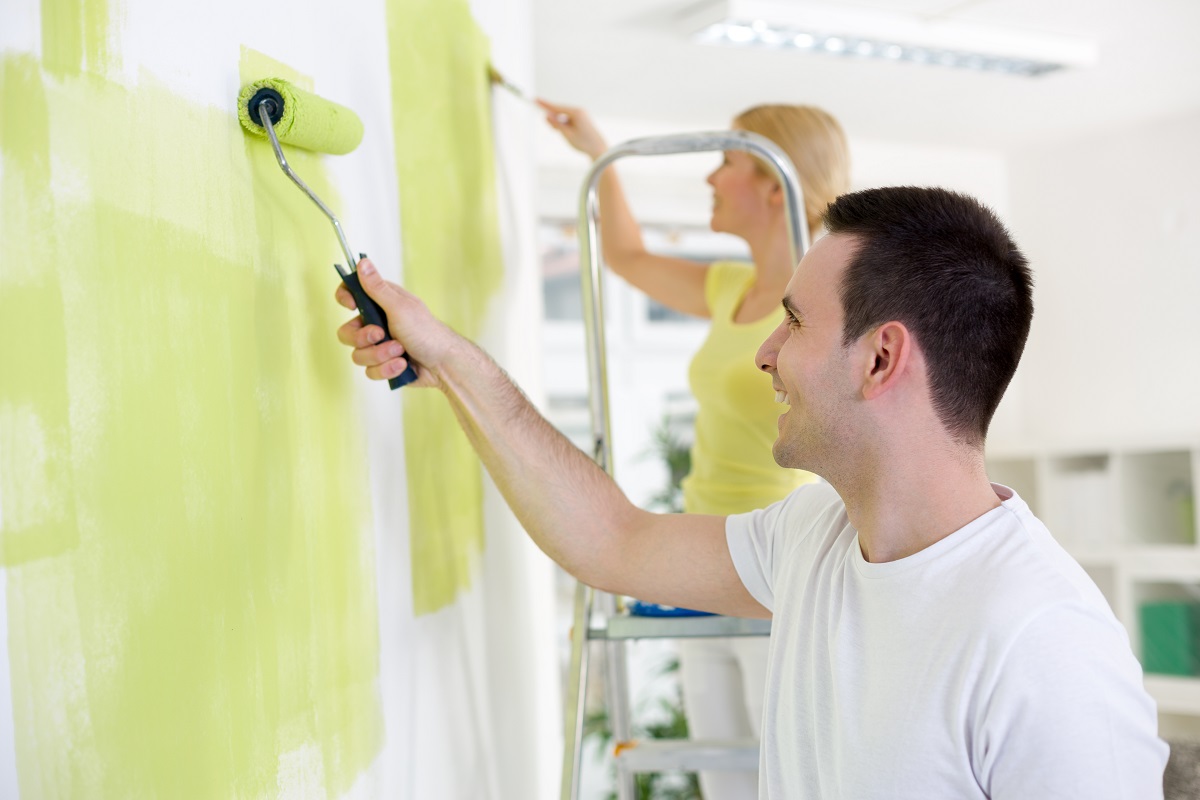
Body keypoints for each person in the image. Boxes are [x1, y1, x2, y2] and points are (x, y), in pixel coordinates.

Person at [335, 186, 1168, 798]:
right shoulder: (813, 538)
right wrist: (452, 362)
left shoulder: (1043, 647)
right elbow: (611, 542)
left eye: (795, 322)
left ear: (881, 359)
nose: (764, 354)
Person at [538, 99, 850, 798]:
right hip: (706, 557)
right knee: (720, 779)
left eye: (726, 162)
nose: (711, 179)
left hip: (779, 572)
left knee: (787, 775)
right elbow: (625, 256)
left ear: (776, 184)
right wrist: (596, 149)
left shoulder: (831, 300)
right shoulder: (729, 289)